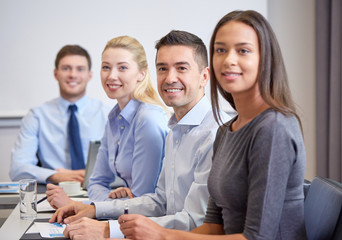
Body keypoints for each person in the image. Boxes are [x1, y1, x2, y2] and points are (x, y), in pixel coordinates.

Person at [117, 10, 307, 240]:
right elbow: (213, 226)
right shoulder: (227, 130)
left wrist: (162, 235)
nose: (229, 60)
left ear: (265, 59)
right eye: (221, 50)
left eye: (243, 50)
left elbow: (258, 238)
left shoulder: (273, 128)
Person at [49, 30, 231, 239]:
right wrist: (94, 209)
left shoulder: (215, 133)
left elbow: (194, 221)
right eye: (162, 68)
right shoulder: (176, 129)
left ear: (204, 76)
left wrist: (109, 230)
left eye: (181, 68)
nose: (170, 78)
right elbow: (160, 202)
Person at [46, 36, 169, 209]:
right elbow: (96, 182)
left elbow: (142, 201)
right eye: (106, 67)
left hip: (150, 222)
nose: (111, 76)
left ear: (141, 73)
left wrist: (90, 207)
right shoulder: (114, 117)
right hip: (127, 215)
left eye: (123, 68)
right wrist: (111, 201)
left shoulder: (148, 119)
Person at [10, 45, 110, 184]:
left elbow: (124, 164)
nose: (73, 75)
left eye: (80, 69)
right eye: (66, 68)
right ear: (56, 74)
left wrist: (91, 174)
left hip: (100, 190)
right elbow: (18, 168)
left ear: (90, 75)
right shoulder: (37, 116)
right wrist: (55, 175)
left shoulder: (108, 113)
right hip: (54, 191)